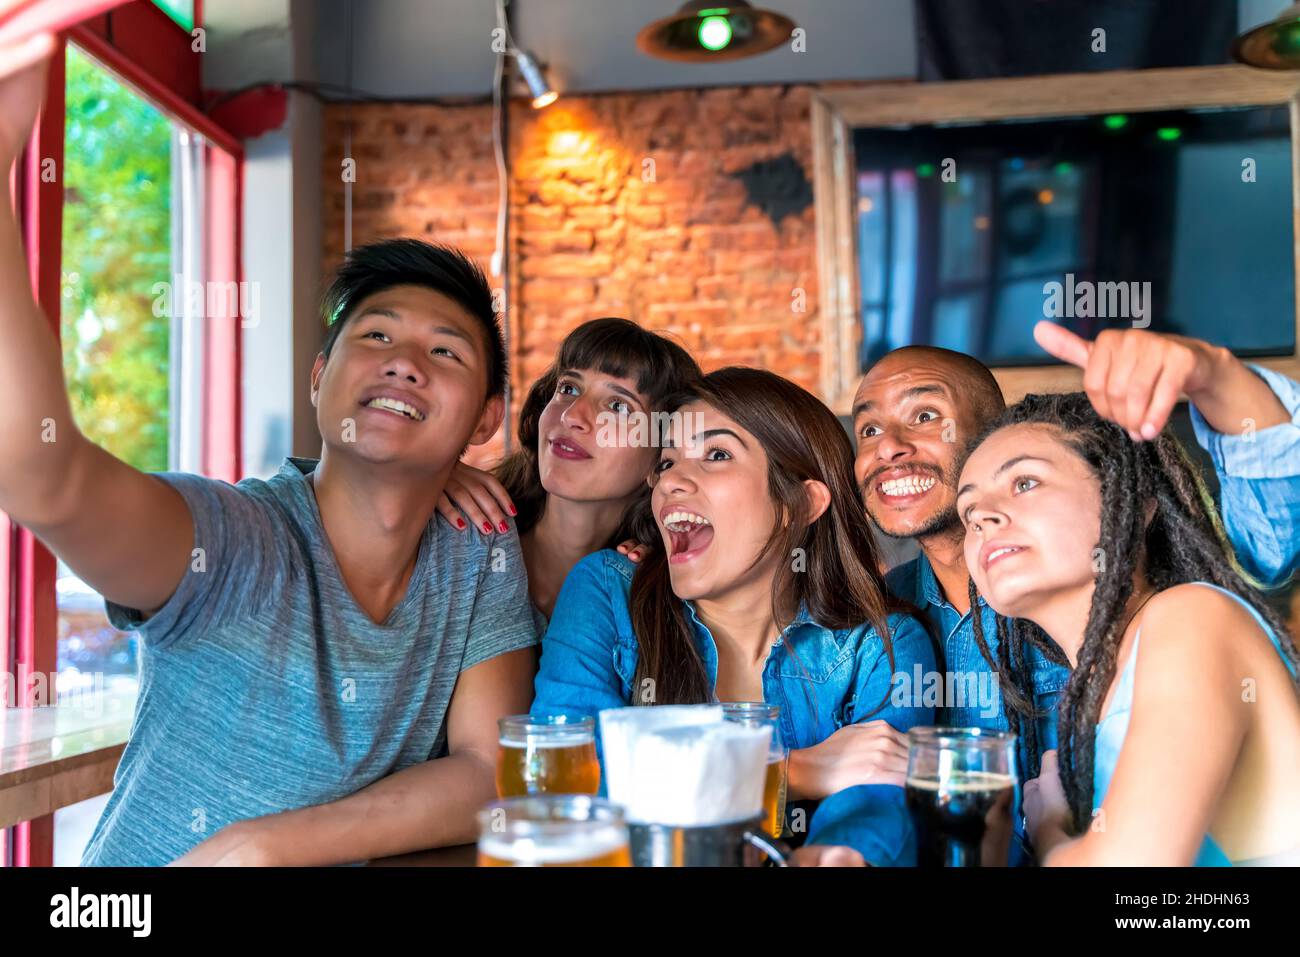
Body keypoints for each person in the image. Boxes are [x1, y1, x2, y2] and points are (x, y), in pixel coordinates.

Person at [0, 37, 538, 866]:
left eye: (446, 353)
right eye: (377, 336)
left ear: (485, 418)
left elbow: (491, 774)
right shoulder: (237, 541)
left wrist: (259, 846)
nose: (403, 361)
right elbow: (42, 475)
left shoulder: (475, 557)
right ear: (320, 378)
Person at [808, 320, 1300, 863]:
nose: (889, 449)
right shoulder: (879, 626)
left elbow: (1271, 524)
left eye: (1023, 481)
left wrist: (1212, 372)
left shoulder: (1189, 615)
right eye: (868, 429)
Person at [532, 367, 936, 866]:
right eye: (666, 463)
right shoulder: (606, 591)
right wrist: (789, 772)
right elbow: (561, 782)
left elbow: (877, 802)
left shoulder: (882, 646)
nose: (671, 482)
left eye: (716, 455)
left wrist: (839, 855)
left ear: (802, 503)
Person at [958, 391, 1300, 865]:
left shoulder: (1193, 616)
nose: (983, 518)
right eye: (968, 514)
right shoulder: (1104, 686)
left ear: (1138, 503)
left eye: (1024, 482)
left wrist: (1049, 828)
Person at [433, 317, 701, 628]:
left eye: (618, 406)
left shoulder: (660, 595)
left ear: (662, 457)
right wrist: (424, 477)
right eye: (569, 388)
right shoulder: (455, 532)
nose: (573, 415)